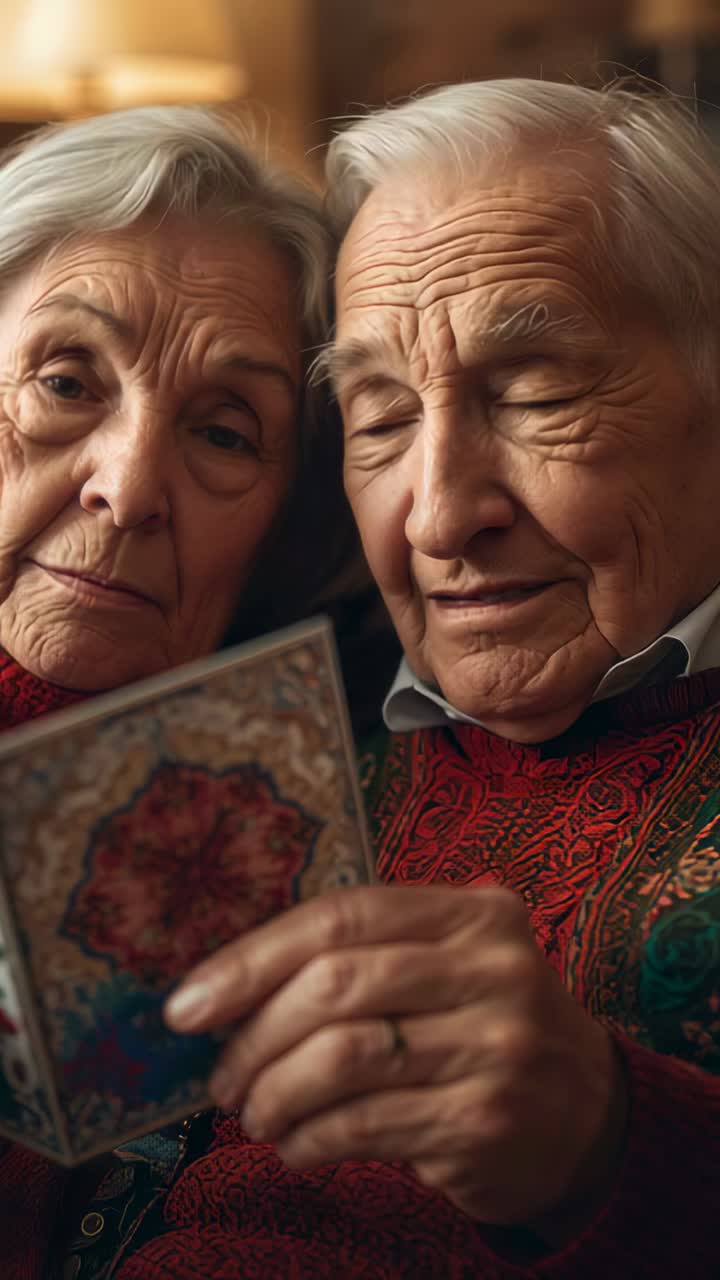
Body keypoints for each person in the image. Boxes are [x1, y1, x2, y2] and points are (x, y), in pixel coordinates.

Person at [156, 81, 720, 1278]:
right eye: (382, 415)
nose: (441, 513)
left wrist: (612, 1145)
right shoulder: (284, 756)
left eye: (536, 390)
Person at [0, 103, 372, 1279]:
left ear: (286, 522)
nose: (131, 481)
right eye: (66, 378)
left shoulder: (299, 823)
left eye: (224, 430)